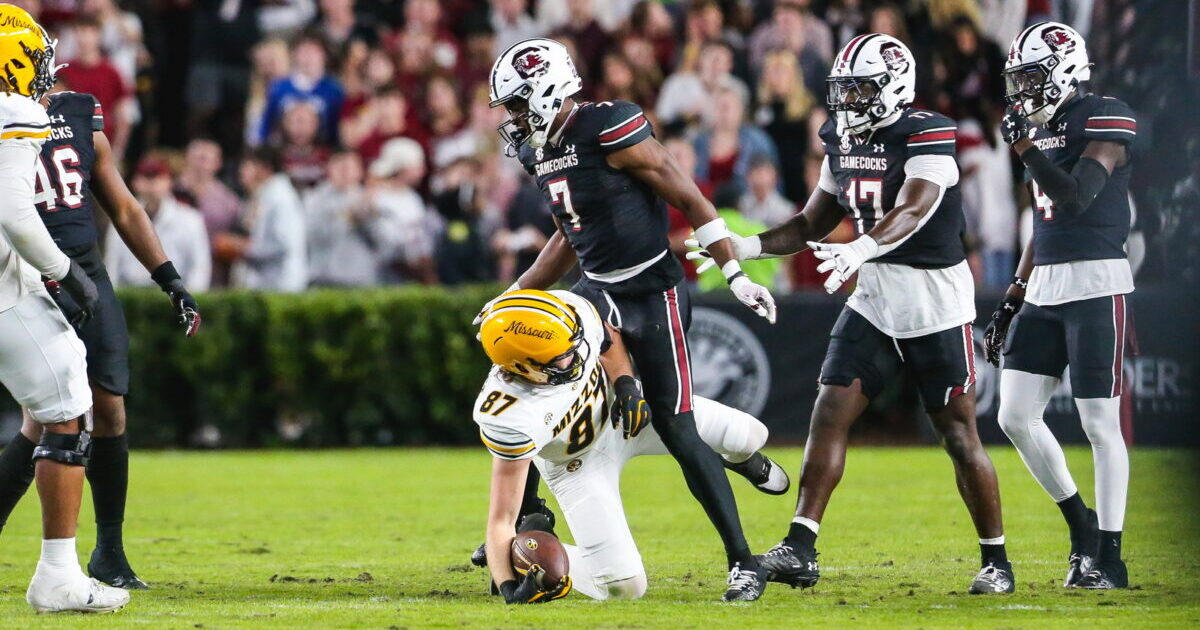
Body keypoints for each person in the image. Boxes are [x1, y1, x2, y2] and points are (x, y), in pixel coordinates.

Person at [688, 34, 1014, 594]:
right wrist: (745, 247)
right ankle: (800, 546)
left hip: (933, 297)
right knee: (830, 409)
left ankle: (996, 560)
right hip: (876, 296)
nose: (848, 102)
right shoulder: (841, 134)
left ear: (893, 87)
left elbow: (915, 207)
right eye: (843, 90)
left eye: (860, 89)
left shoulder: (926, 132)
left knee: (959, 435)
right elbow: (811, 221)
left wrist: (860, 249)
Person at [485, 38, 777, 601]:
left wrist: (736, 275)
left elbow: (692, 201)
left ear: (547, 89)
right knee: (531, 365)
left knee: (675, 427)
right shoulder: (539, 149)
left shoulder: (610, 127)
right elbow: (571, 234)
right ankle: (531, 520)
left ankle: (744, 560)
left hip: (651, 293)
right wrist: (515, 293)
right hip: (594, 292)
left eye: (518, 105)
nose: (514, 120)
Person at [0, 74, 203, 594]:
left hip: (85, 271)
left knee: (107, 405)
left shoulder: (79, 115)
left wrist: (169, 278)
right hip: (24, 275)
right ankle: (58, 568)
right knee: (47, 417)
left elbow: (124, 205)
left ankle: (108, 550)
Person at [474, 289, 788, 603]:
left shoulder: (567, 317)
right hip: (578, 464)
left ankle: (730, 458)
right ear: (523, 366)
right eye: (562, 358)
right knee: (624, 587)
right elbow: (501, 516)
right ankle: (523, 555)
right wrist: (509, 588)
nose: (578, 355)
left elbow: (606, 339)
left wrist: (625, 384)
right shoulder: (509, 414)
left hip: (626, 416)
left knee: (751, 435)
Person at [984, 22, 1136, 590]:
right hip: (1045, 282)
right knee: (1014, 415)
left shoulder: (1105, 115)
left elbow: (1075, 197)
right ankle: (1082, 528)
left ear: (1065, 69)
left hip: (1097, 280)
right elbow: (1042, 222)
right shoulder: (1040, 128)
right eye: (1016, 78)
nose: (1021, 89)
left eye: (1030, 76)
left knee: (1099, 421)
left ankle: (1112, 558)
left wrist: (1024, 146)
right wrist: (1013, 294)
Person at [0, 5, 129, 612]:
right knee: (68, 404)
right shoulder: (18, 109)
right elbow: (16, 214)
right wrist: (66, 272)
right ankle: (58, 574)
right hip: (6, 290)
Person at [104, 158, 212, 291]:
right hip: (131, 293)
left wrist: (190, 302)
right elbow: (112, 265)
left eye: (157, 177)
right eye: (145, 177)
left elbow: (199, 268)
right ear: (135, 182)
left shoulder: (190, 219)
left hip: (175, 293)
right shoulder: (122, 216)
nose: (151, 184)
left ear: (169, 182)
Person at [225, 149, 308, 292]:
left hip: (282, 285)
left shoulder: (281, 198)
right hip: (267, 284)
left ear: (265, 169)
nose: (241, 171)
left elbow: (282, 244)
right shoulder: (264, 194)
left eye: (247, 166)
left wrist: (242, 248)